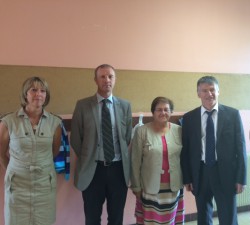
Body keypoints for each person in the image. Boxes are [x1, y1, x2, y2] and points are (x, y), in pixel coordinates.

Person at [70, 64, 132, 225]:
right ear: (95, 80)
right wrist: (89, 156)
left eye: (110, 76)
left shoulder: (125, 106)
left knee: (116, 217)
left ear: (115, 79)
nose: (107, 80)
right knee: (92, 218)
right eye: (102, 77)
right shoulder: (83, 105)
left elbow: (126, 137)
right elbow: (76, 139)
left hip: (118, 170)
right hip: (93, 170)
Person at [180, 76, 247, 225]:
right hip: (200, 173)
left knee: (228, 217)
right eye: (204, 90)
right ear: (198, 93)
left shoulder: (232, 114)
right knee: (203, 217)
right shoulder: (189, 118)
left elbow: (240, 147)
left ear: (218, 91)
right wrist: (187, 178)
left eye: (212, 90)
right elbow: (186, 150)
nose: (208, 94)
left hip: (226, 173)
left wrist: (241, 178)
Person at [0, 76, 62, 225]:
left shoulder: (55, 122)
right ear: (25, 94)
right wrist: (16, 169)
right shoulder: (8, 121)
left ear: (46, 95)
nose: (38, 94)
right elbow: (1, 153)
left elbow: (54, 151)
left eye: (42, 90)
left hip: (44, 186)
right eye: (33, 90)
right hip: (17, 186)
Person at [131, 96, 184, 225]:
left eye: (166, 109)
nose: (163, 113)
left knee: (171, 221)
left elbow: (184, 158)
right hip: (150, 188)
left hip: (173, 187)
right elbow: (135, 161)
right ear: (153, 112)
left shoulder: (179, 130)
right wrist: (136, 186)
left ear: (171, 112)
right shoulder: (141, 131)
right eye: (159, 109)